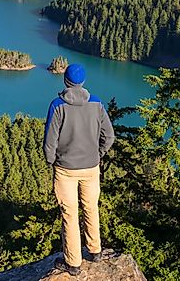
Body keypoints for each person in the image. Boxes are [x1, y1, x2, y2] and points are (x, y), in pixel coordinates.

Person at [43, 63, 115, 276]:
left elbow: (50, 142)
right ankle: (95, 250)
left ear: (66, 81)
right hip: (91, 168)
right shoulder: (97, 104)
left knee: (70, 213)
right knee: (91, 207)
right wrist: (98, 154)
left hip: (65, 170)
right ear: (82, 82)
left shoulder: (57, 105)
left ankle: (73, 263)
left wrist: (52, 161)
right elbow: (109, 136)